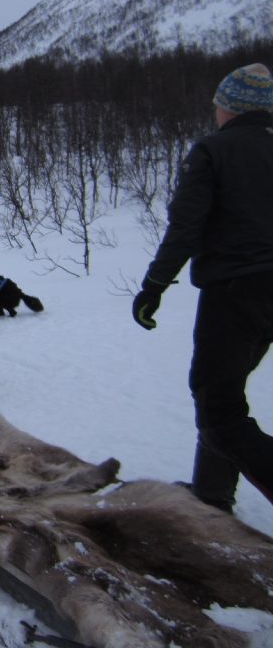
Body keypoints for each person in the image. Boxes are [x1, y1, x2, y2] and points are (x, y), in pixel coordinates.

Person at [132, 62, 273, 513]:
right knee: (225, 390)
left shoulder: (214, 152)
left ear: (229, 108)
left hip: (236, 291)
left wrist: (154, 285)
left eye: (218, 105)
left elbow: (185, 227)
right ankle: (211, 494)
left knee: (218, 408)